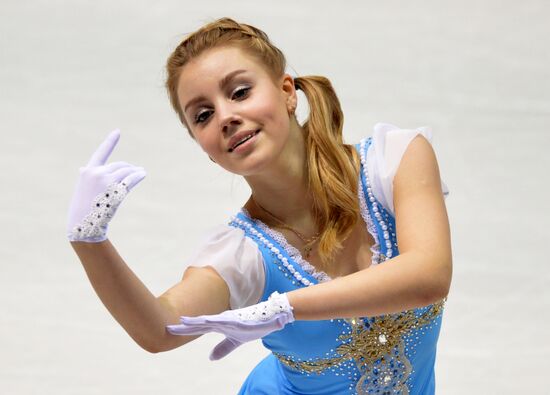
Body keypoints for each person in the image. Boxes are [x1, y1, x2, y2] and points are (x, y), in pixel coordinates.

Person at [67, 17, 452, 395]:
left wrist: (283, 307)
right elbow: (161, 329)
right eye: (203, 116)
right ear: (205, 149)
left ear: (287, 92)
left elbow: (428, 275)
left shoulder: (394, 163)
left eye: (239, 92)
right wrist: (89, 241)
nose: (226, 117)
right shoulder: (243, 254)